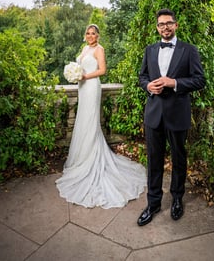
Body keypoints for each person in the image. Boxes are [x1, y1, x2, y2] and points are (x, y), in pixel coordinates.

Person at [56, 24, 146, 208]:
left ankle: (91, 158)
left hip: (91, 87)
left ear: (98, 35)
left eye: (93, 33)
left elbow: (102, 70)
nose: (90, 36)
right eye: (88, 33)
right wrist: (75, 75)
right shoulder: (84, 48)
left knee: (90, 122)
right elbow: (80, 67)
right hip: (83, 88)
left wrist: (83, 76)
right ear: (85, 35)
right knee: (83, 121)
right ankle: (81, 158)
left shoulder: (99, 49)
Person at [137, 9, 205, 226]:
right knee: (153, 161)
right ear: (157, 28)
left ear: (176, 25)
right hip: (154, 114)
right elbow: (142, 76)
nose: (165, 27)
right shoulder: (149, 50)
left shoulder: (189, 50)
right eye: (161, 24)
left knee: (179, 159)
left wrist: (173, 83)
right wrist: (148, 86)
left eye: (169, 23)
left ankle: (177, 199)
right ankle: (153, 203)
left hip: (178, 114)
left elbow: (199, 80)